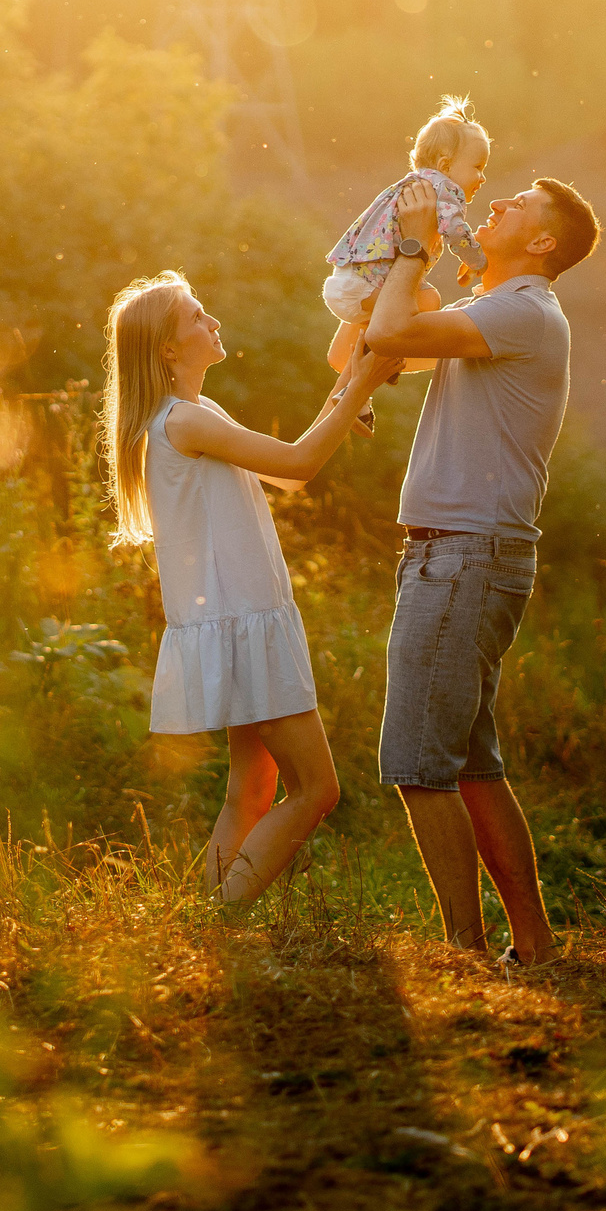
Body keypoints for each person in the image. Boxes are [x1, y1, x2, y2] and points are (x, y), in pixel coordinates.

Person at [361, 173, 601, 964]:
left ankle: (462, 954)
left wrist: (413, 246)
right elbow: (374, 339)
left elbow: (391, 335)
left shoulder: (521, 312)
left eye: (519, 207)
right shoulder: (500, 313)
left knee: (419, 763)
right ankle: (531, 946)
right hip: (468, 553)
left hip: (462, 555)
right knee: (468, 762)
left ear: (541, 243)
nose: (495, 204)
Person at [102, 271, 399, 903]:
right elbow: (301, 464)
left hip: (240, 618)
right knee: (318, 790)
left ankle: (208, 924)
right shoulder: (182, 421)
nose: (213, 323)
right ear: (168, 350)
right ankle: (221, 917)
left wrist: (348, 387)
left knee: (253, 790)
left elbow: (288, 474)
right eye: (198, 317)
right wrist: (364, 383)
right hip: (243, 619)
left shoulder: (196, 413)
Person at [320, 96, 494, 431]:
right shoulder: (442, 190)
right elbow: (456, 230)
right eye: (478, 167)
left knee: (375, 331)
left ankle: (356, 396)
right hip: (364, 285)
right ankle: (355, 390)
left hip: (350, 280)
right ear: (445, 165)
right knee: (428, 301)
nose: (483, 178)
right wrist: (478, 260)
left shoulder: (410, 184)